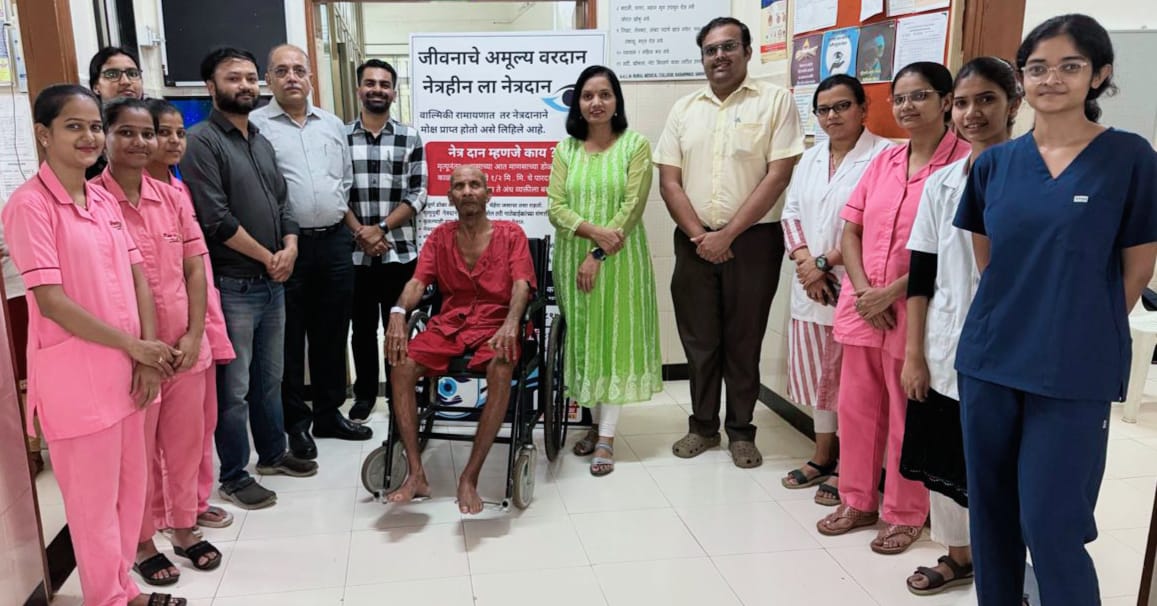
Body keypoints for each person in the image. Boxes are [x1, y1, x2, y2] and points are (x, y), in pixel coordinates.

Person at [953, 15, 1157, 605]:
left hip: (1074, 369)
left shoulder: (1129, 158)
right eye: (1037, 68)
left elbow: (1137, 269)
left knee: (1052, 524)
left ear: (1100, 74)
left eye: (1070, 66)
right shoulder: (993, 165)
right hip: (991, 360)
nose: (1051, 79)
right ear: (1022, 78)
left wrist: (1078, 326)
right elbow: (989, 259)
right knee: (992, 518)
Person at [3, 84, 186, 606]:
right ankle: (107, 598)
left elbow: (138, 277)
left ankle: (122, 587)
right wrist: (136, 346)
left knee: (129, 493)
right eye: (73, 126)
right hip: (78, 384)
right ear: (44, 135)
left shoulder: (102, 198)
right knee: (92, 505)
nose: (88, 137)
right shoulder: (29, 206)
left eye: (93, 127)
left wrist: (146, 353)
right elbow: (52, 301)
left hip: (128, 372)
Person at [816, 61, 968, 555]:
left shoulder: (965, 165)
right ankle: (857, 500)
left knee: (908, 415)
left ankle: (905, 514)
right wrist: (865, 292)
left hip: (916, 309)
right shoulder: (884, 161)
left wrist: (891, 293)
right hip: (863, 307)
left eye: (919, 96)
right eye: (900, 98)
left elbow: (950, 249)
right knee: (856, 410)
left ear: (946, 101)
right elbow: (851, 231)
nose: (907, 106)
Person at [655, 17, 804, 468]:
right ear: (702, 57)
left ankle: (741, 431)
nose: (719, 56)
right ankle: (703, 426)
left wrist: (728, 235)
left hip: (753, 242)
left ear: (747, 51)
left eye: (728, 47)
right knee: (699, 340)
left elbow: (778, 176)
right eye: (710, 50)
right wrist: (701, 236)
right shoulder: (684, 109)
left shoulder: (775, 102)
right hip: (694, 240)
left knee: (744, 339)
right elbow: (669, 181)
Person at [899, 57, 1021, 596]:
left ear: (1014, 103)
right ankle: (959, 556)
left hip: (1012, 347)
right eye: (964, 102)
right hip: (945, 343)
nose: (973, 113)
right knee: (947, 456)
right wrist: (913, 354)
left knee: (1003, 465)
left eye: (987, 99)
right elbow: (920, 276)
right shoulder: (942, 184)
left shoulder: (1033, 176)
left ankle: (1008, 569)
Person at [92, 97, 223, 586]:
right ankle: (143, 540)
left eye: (147, 133)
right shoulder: (93, 203)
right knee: (138, 455)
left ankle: (184, 528)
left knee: (186, 445)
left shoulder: (173, 198)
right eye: (126, 132)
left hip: (184, 347)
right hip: (131, 355)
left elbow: (195, 268)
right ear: (106, 137)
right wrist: (139, 350)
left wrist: (194, 333)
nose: (140, 142)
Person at [180, 47, 317, 511]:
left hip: (273, 282)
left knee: (270, 379)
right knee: (233, 389)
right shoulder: (201, 142)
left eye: (249, 77)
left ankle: (273, 454)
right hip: (234, 284)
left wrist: (290, 247)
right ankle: (235, 475)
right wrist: (268, 256)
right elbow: (214, 217)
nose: (244, 85)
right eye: (232, 78)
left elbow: (283, 202)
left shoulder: (259, 139)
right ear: (211, 87)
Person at [383, 165, 534, 514]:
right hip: (450, 324)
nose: (467, 191)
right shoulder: (440, 237)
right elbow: (417, 283)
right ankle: (416, 474)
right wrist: (398, 312)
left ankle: (469, 477)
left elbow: (521, 285)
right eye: (459, 186)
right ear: (450, 197)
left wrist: (512, 322)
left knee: (501, 366)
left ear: (488, 194)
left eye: (474, 185)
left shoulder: (511, 234)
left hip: (497, 323)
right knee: (402, 366)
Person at [251, 44, 369, 459]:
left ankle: (328, 413)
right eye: (282, 70)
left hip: (334, 241)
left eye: (299, 70)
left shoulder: (332, 125)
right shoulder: (255, 126)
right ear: (269, 79)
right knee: (288, 338)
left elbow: (343, 182)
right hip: (286, 246)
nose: (292, 77)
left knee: (332, 332)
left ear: (311, 78)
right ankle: (295, 424)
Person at [779, 74, 892, 505]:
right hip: (811, 286)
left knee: (852, 384)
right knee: (817, 380)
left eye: (842, 106)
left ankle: (851, 464)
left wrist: (825, 263)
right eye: (824, 109)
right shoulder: (809, 158)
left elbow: (872, 224)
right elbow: (790, 213)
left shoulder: (884, 156)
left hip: (854, 285)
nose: (832, 116)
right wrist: (806, 263)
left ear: (863, 108)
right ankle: (822, 454)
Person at [547, 65, 663, 477]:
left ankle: (608, 438)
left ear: (617, 101)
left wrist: (597, 252)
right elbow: (555, 207)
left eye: (604, 94)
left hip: (619, 261)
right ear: (577, 103)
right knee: (585, 340)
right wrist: (593, 233)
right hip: (571, 259)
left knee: (613, 341)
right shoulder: (566, 150)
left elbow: (632, 207)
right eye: (587, 95)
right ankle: (596, 426)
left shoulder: (635, 146)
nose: (596, 102)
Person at [144, 98, 237, 534]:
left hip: (197, 322)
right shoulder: (117, 198)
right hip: (160, 333)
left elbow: (195, 266)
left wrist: (198, 329)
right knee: (166, 435)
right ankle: (168, 514)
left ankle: (194, 503)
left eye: (179, 133)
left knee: (201, 422)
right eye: (161, 132)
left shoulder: (178, 190)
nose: (173, 141)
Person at [345, 59, 428, 423]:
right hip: (354, 254)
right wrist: (361, 233)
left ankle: (399, 394)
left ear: (394, 92)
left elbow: (419, 193)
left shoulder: (410, 137)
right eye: (370, 83)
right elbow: (335, 193)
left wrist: (379, 229)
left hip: (400, 253)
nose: (377, 89)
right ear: (359, 90)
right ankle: (364, 394)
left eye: (384, 84)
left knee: (399, 327)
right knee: (362, 329)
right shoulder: (340, 137)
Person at [87, 46, 145, 179]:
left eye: (133, 74)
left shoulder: (156, 121)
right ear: (96, 86)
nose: (126, 81)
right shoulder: (88, 128)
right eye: (112, 74)